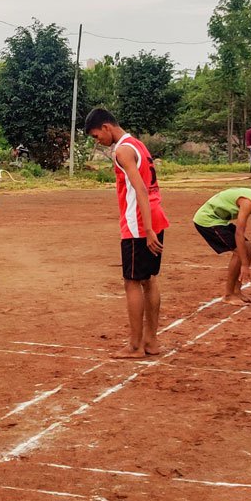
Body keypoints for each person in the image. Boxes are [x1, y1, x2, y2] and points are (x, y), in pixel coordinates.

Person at [86, 108, 172, 352]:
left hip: (138, 224)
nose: (98, 142)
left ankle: (134, 346)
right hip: (155, 216)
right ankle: (151, 341)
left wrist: (146, 230)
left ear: (106, 127)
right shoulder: (138, 145)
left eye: (95, 136)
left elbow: (141, 189)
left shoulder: (122, 150)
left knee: (132, 282)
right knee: (149, 280)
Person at [191, 182, 251, 304]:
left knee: (249, 248)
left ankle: (237, 291)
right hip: (207, 220)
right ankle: (228, 295)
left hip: (220, 221)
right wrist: (244, 265)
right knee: (240, 251)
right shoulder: (248, 202)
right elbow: (239, 233)